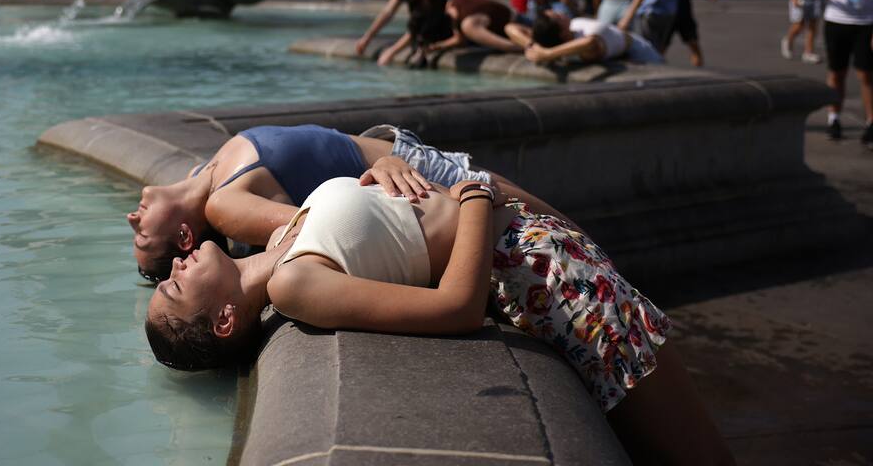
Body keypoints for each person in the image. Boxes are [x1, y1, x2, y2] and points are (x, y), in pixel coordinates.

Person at [145, 175, 734, 466]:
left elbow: (379, 223)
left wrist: (392, 167)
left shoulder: (278, 239)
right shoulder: (292, 285)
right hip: (543, 279)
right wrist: (476, 197)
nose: (177, 262)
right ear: (225, 320)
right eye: (175, 285)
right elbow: (454, 309)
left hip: (542, 253)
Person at [128, 124, 509, 281]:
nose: (132, 218)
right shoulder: (222, 205)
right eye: (142, 236)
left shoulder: (203, 173)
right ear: (183, 237)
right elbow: (313, 226)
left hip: (402, 158)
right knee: (555, 227)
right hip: (415, 180)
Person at [814, 0, 873, 146]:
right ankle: (834, 118)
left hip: (866, 22)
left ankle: (871, 123)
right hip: (836, 21)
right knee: (836, 73)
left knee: (866, 75)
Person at [506, 11, 664, 66]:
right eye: (558, 16)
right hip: (640, 54)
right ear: (562, 33)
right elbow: (590, 43)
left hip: (640, 51)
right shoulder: (586, 41)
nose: (561, 13)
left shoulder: (568, 40)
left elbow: (510, 28)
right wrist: (542, 51)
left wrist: (540, 50)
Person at [423, 0, 522, 54]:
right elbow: (459, 39)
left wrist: (520, 48)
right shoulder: (452, 3)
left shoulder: (468, 25)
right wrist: (439, 46)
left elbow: (508, 46)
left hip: (517, 24)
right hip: (515, 15)